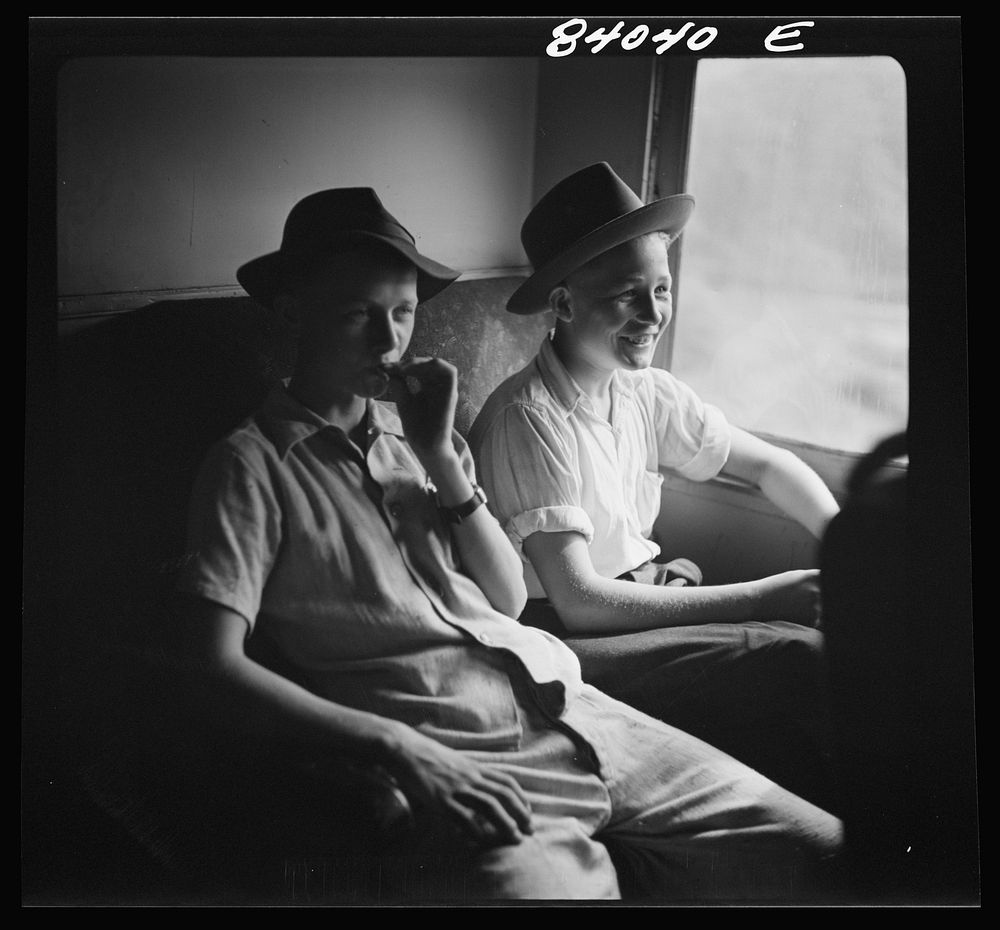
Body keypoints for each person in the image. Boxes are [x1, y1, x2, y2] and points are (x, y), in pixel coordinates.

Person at [170, 186, 842, 903]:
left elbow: (508, 597)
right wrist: (400, 750)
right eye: (357, 316)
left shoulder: (421, 441)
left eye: (402, 315)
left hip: (574, 709)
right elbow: (206, 662)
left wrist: (442, 460)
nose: (388, 342)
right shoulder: (251, 464)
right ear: (293, 313)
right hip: (458, 746)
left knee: (833, 857)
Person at [469, 163, 842, 805]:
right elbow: (581, 598)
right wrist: (762, 596)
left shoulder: (643, 392)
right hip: (566, 635)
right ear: (562, 304)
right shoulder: (527, 418)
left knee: (823, 653)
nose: (653, 315)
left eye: (662, 290)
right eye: (626, 296)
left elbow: (767, 466)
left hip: (636, 603)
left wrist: (849, 544)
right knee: (794, 658)